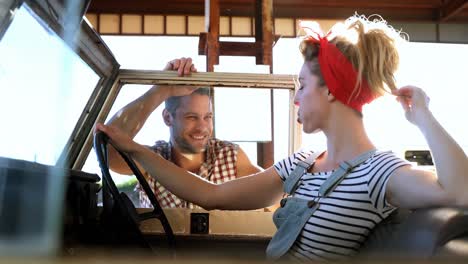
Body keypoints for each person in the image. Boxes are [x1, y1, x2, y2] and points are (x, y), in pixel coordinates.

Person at [96, 15, 468, 261]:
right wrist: (135, 149)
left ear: (332, 91)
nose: (295, 97)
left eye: (302, 85)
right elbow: (208, 195)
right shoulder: (301, 164)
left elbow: (460, 192)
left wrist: (423, 117)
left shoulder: (380, 172)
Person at [105, 57, 261, 208]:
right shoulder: (151, 159)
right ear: (167, 117)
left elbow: (277, 198)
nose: (202, 127)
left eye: (208, 117)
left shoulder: (230, 156)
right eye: (191, 117)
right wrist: (161, 90)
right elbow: (107, 148)